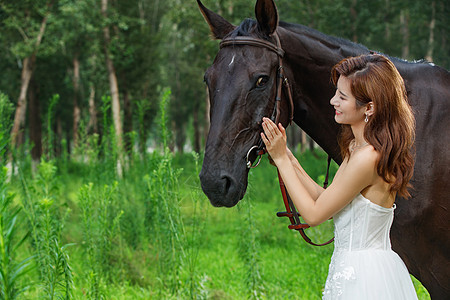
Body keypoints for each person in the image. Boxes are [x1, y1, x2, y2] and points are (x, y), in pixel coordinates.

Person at [261, 54, 418, 299]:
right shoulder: (358, 147)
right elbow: (329, 200)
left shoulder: (368, 158)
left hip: (365, 278)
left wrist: (282, 160)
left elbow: (314, 214)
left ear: (370, 107)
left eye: (342, 97)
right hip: (353, 269)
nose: (333, 100)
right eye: (336, 93)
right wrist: (289, 158)